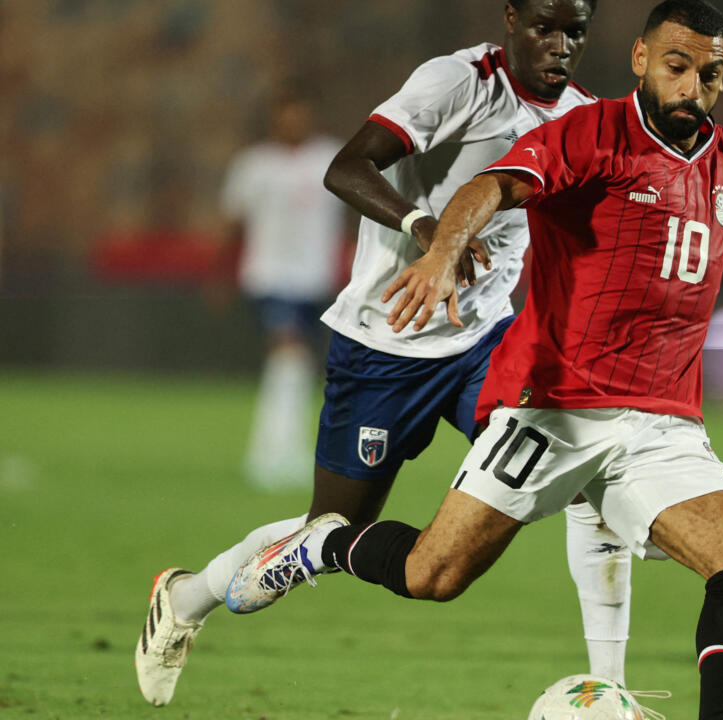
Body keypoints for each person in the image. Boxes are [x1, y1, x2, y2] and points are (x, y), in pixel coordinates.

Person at [227, 2, 723, 717]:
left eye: (711, 73)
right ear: (640, 59)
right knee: (436, 574)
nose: (694, 86)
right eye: (678, 65)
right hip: (555, 408)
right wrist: (438, 246)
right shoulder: (589, 134)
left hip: (661, 422)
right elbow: (496, 187)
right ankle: (325, 544)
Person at [134, 0, 634, 707]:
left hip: (483, 344)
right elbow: (348, 167)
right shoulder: (456, 83)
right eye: (545, 26)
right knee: (334, 531)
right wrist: (430, 229)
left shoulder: (581, 118)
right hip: (383, 345)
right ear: (512, 18)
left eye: (576, 31)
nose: (561, 45)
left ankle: (607, 689)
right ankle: (188, 597)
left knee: (584, 474)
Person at [220, 90, 346, 490]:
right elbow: (233, 223)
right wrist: (220, 273)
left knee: (299, 364)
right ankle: (271, 454)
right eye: (286, 115)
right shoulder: (254, 166)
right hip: (269, 276)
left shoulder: (330, 157)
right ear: (275, 118)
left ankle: (282, 448)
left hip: (315, 278)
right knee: (288, 354)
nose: (294, 122)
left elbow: (350, 215)